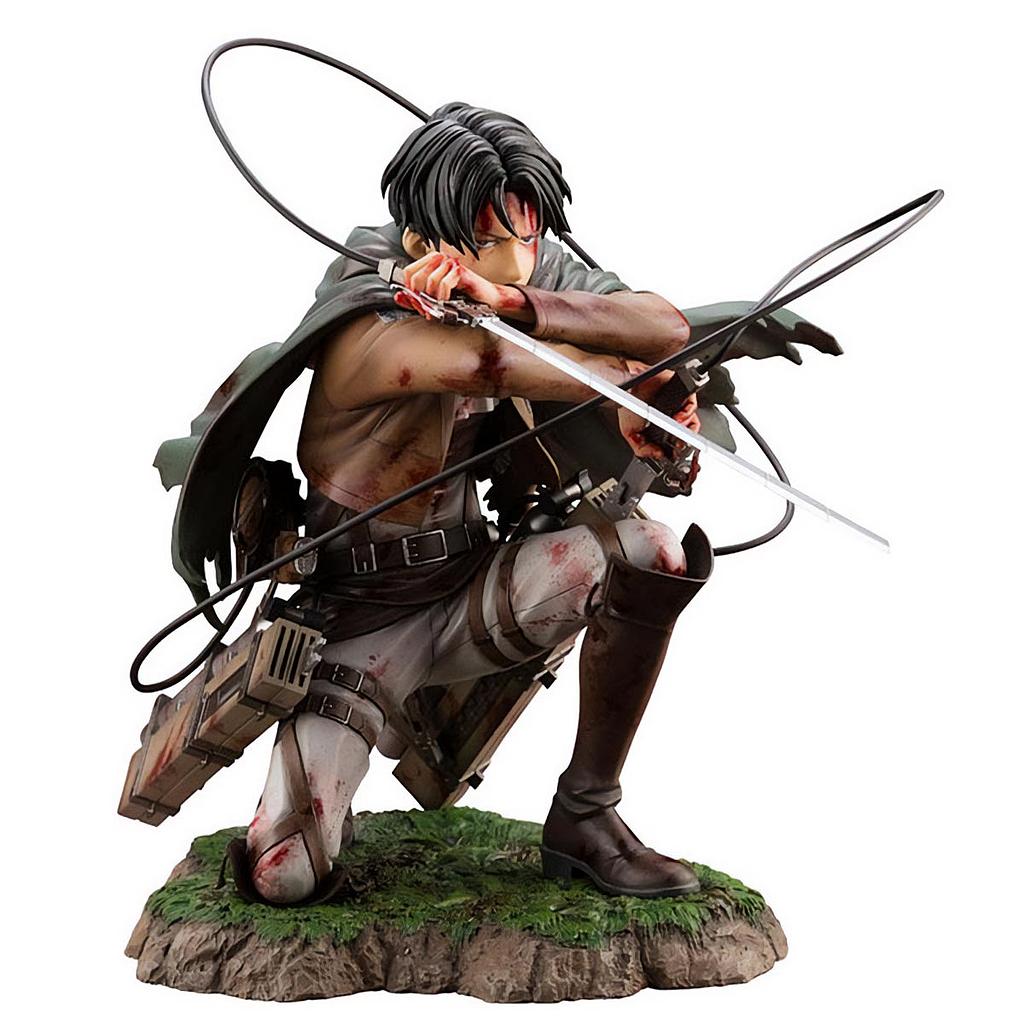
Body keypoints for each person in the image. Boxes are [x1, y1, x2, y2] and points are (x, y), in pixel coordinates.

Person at [239, 102, 715, 904]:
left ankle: (587, 813)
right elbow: (489, 361)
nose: (520, 262)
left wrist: (520, 304)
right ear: (423, 242)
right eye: (491, 243)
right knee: (283, 876)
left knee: (652, 553)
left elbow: (660, 324)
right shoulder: (363, 321)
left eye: (530, 237)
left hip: (473, 588)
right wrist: (625, 387)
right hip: (360, 620)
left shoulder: (511, 281)